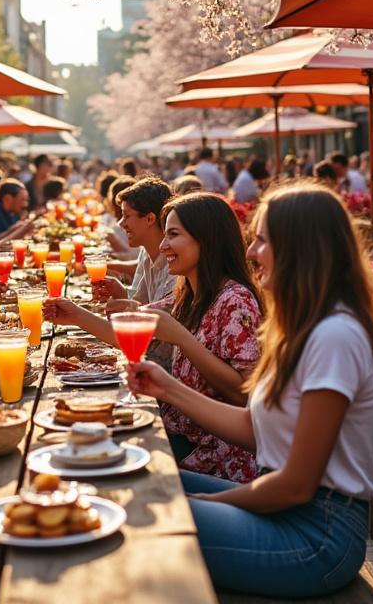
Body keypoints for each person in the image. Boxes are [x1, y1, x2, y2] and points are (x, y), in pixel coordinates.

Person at [127, 183, 373, 598]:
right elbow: (255, 428)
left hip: (316, 534)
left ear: (299, 248)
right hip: (287, 509)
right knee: (138, 482)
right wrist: (169, 388)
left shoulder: (335, 337)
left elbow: (298, 485)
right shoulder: (302, 328)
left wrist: (209, 503)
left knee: (144, 512)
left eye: (263, 240)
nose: (250, 252)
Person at [47, 192, 262, 483]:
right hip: (174, 431)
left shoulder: (235, 300)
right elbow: (126, 330)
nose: (163, 245)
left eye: (173, 235)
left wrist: (183, 339)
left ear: (206, 239)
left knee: (99, 468)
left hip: (213, 454)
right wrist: (74, 315)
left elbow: (243, 394)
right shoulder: (187, 294)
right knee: (77, 447)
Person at [92, 177, 176, 306]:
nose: (121, 223)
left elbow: (155, 317)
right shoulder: (150, 258)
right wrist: (119, 291)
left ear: (149, 219)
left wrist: (75, 314)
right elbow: (139, 304)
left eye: (127, 216)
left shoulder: (174, 265)